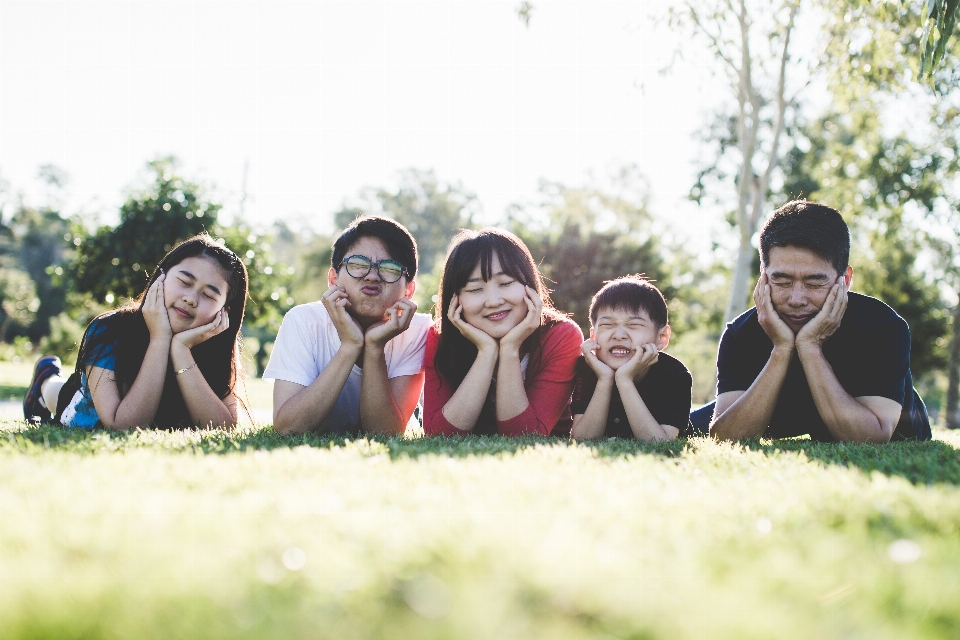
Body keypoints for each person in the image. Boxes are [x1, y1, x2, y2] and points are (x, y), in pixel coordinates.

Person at [705, 200, 931, 443]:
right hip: (779, 412)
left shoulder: (884, 328)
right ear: (764, 276)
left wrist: (809, 347)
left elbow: (871, 438)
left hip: (887, 422)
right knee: (685, 423)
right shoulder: (740, 334)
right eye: (782, 281)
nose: (796, 299)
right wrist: (782, 349)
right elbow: (725, 438)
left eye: (814, 283)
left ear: (845, 279)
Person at [23, 234, 249, 429]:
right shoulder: (108, 329)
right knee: (60, 393)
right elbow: (124, 425)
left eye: (209, 295)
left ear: (224, 310)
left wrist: (181, 349)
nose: (190, 299)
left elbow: (223, 428)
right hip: (83, 407)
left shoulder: (217, 342)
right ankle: (45, 378)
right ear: (162, 276)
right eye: (184, 281)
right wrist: (160, 339)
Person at [265, 216, 429, 435]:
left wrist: (374, 346)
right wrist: (350, 346)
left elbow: (385, 435)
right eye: (358, 265)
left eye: (389, 268)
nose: (372, 276)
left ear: (408, 290)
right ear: (333, 279)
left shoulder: (417, 331)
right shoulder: (303, 321)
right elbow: (288, 428)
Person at [422, 228, 583, 436]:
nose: (494, 301)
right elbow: (440, 435)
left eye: (506, 283)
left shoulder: (561, 336)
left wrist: (509, 349)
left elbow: (524, 436)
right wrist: (487, 351)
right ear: (455, 299)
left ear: (529, 285)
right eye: (474, 289)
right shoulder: (440, 337)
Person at [571, 276, 692, 441]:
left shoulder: (674, 374)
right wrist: (605, 379)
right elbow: (582, 439)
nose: (619, 335)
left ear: (661, 337)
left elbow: (660, 443)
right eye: (607, 325)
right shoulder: (588, 367)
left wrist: (624, 380)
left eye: (634, 325)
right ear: (593, 336)